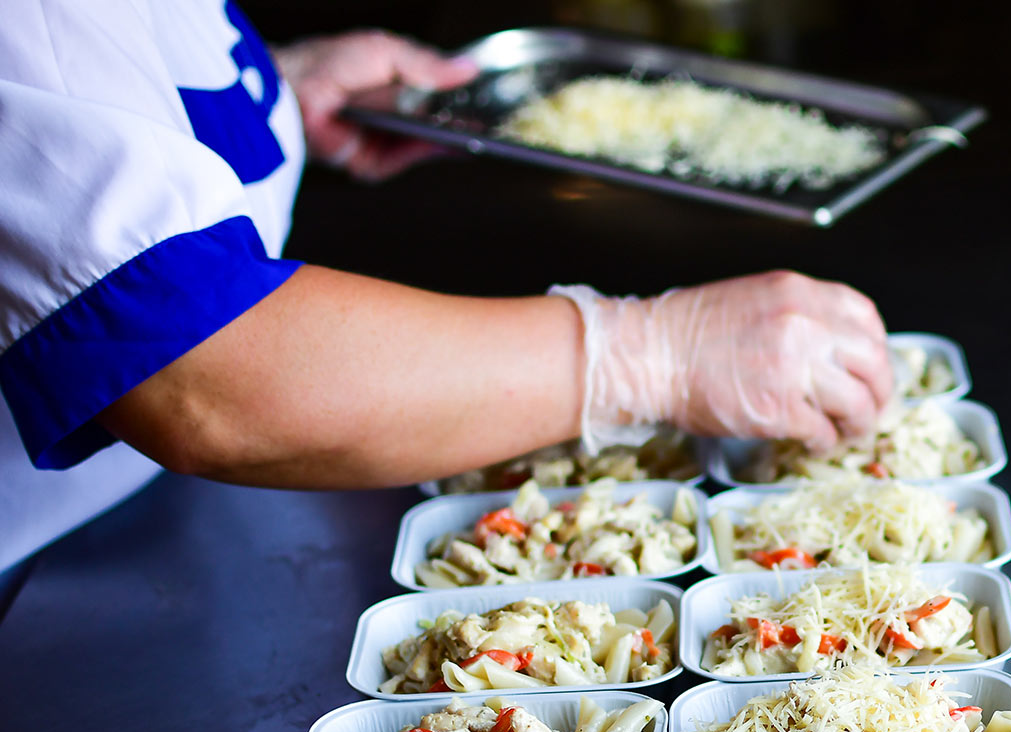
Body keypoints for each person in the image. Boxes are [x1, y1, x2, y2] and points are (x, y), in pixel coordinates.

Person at [0, 2, 892, 582]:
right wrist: (653, 353)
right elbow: (204, 377)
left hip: (147, 538)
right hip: (47, 593)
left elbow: (93, 85)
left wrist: (263, 90)